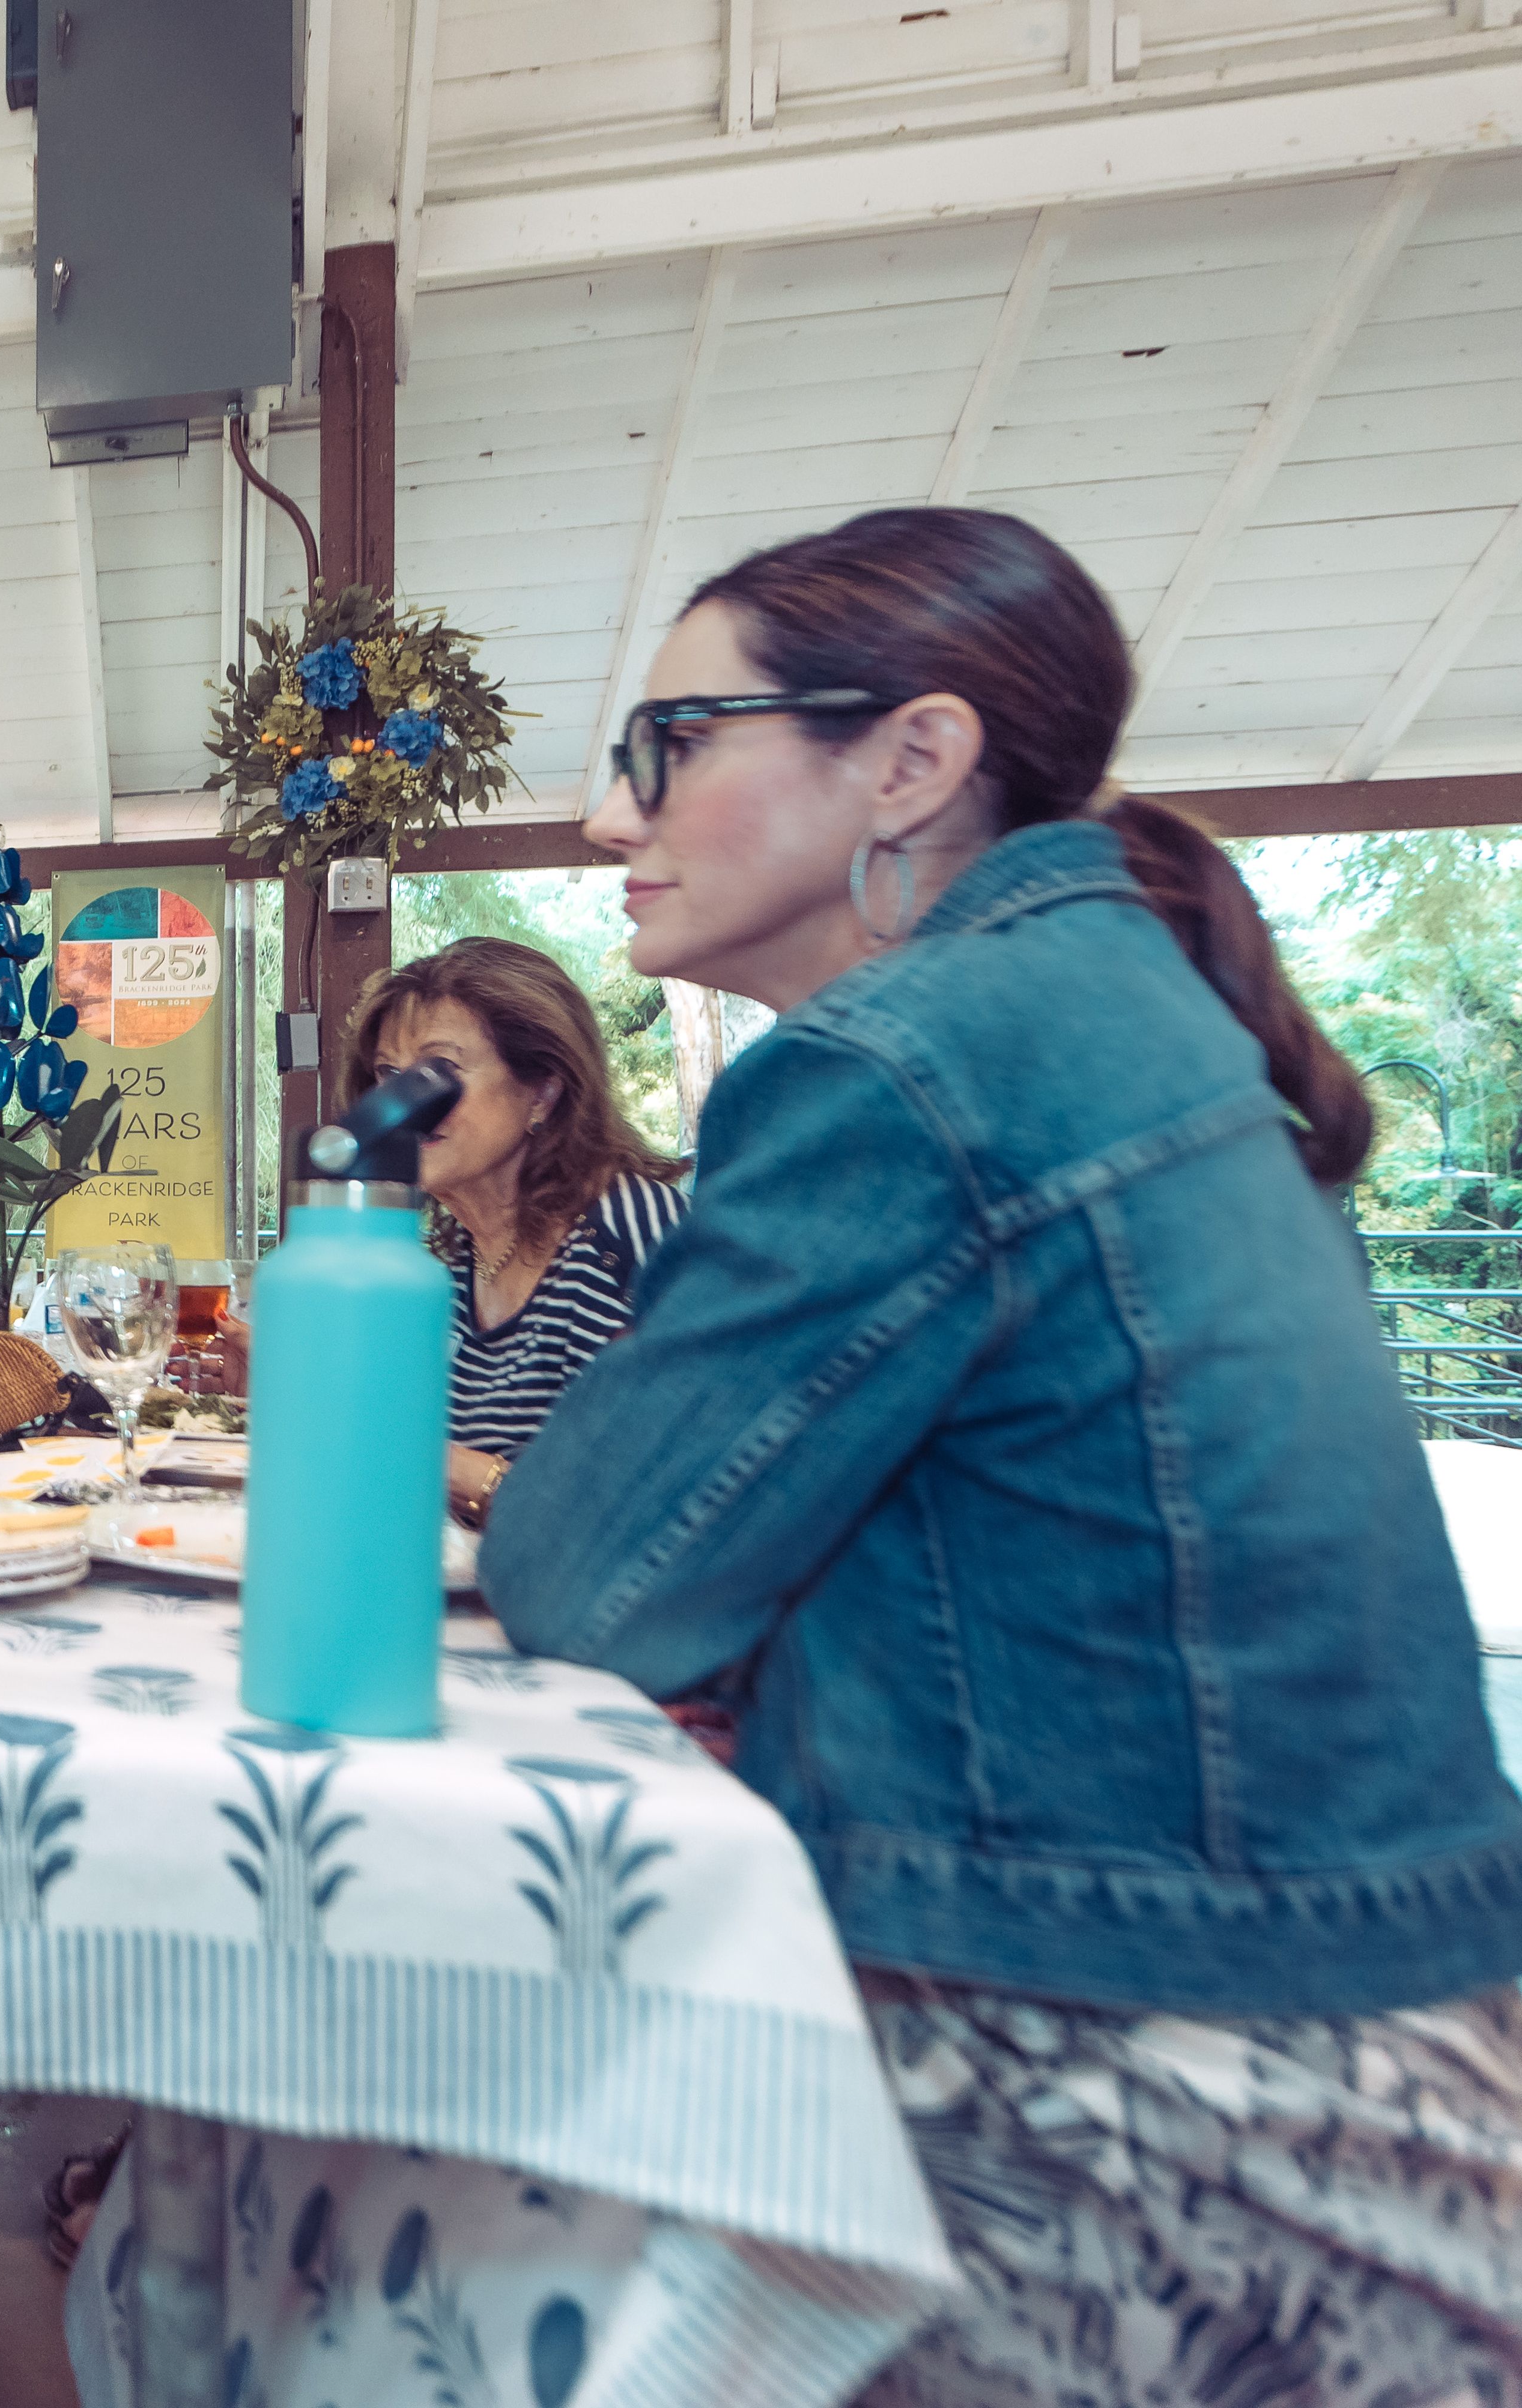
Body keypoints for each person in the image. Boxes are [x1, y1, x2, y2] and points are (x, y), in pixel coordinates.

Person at [482, 506, 1522, 2402]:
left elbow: (592, 1575)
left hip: (1143, 2069)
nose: (606, 822)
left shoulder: (901, 1057)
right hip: (1372, 2001)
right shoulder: (1106, 1002)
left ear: (913, 757)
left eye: (665, 745)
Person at [343, 939, 687, 1528]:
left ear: (543, 1091)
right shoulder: (455, 1263)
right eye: (388, 1076)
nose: (402, 1106)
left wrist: (453, 1470)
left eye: (436, 1074)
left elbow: (663, 1500)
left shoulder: (627, 1235)